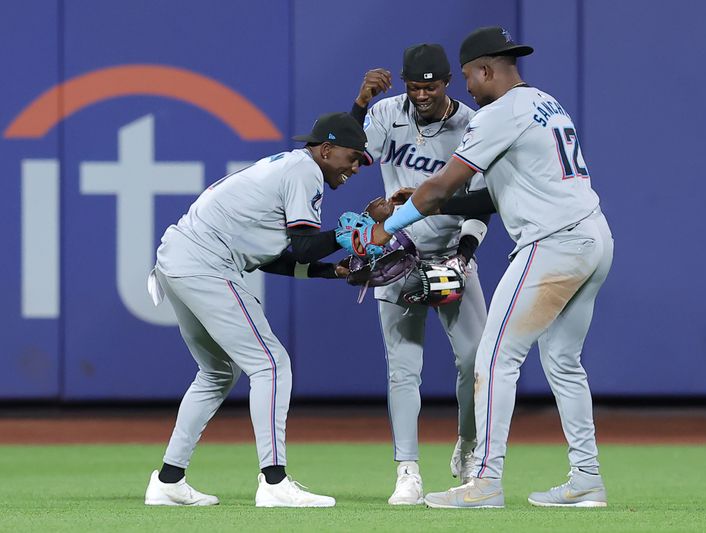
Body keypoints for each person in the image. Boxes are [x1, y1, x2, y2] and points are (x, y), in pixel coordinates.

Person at [359, 26, 614, 509]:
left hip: (553, 242)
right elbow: (484, 197)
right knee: (563, 362)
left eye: (471, 78)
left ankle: (485, 481)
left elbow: (438, 188)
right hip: (594, 236)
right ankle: (587, 477)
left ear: (484, 69)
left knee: (493, 359)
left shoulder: (497, 114)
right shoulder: (545, 101)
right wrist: (421, 204)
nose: (469, 89)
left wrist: (392, 220)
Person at [143, 112, 367, 508]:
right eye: (352, 157)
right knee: (271, 364)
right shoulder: (305, 171)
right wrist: (352, 234)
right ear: (326, 150)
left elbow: (272, 257)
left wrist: (332, 269)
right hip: (204, 264)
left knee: (217, 372)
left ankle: (168, 480)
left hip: (176, 261)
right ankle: (275, 481)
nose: (355, 167)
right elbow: (301, 246)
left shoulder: (289, 167)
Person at [349, 44, 490, 505]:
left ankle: (468, 446)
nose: (421, 95)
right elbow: (344, 159)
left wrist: (464, 257)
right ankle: (407, 471)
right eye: (414, 87)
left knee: (476, 362)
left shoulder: (472, 125)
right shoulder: (388, 112)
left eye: (430, 87)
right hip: (399, 256)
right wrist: (360, 105)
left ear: (447, 82)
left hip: (453, 254)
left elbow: (485, 203)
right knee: (403, 368)